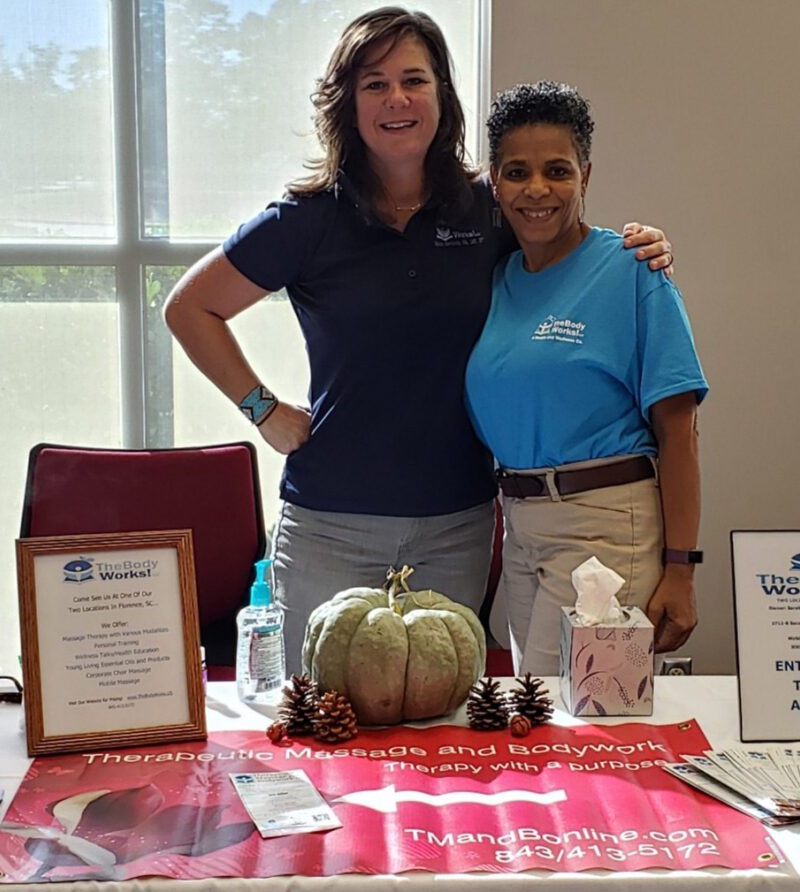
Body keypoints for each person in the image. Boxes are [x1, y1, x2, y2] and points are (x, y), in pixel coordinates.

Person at [162, 8, 672, 672]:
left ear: (442, 95)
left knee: (432, 728)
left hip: (455, 525)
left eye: (414, 80)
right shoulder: (305, 221)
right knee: (321, 721)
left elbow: (570, 252)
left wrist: (644, 246)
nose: (396, 99)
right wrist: (262, 411)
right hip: (328, 525)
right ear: (347, 103)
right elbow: (190, 308)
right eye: (374, 84)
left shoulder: (489, 207)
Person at [466, 81, 705, 676]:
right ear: (494, 181)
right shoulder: (497, 280)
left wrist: (681, 569)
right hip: (520, 526)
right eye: (517, 172)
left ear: (587, 175)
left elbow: (680, 434)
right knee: (540, 716)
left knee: (576, 729)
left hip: (605, 527)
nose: (537, 189)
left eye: (557, 170)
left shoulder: (633, 269)